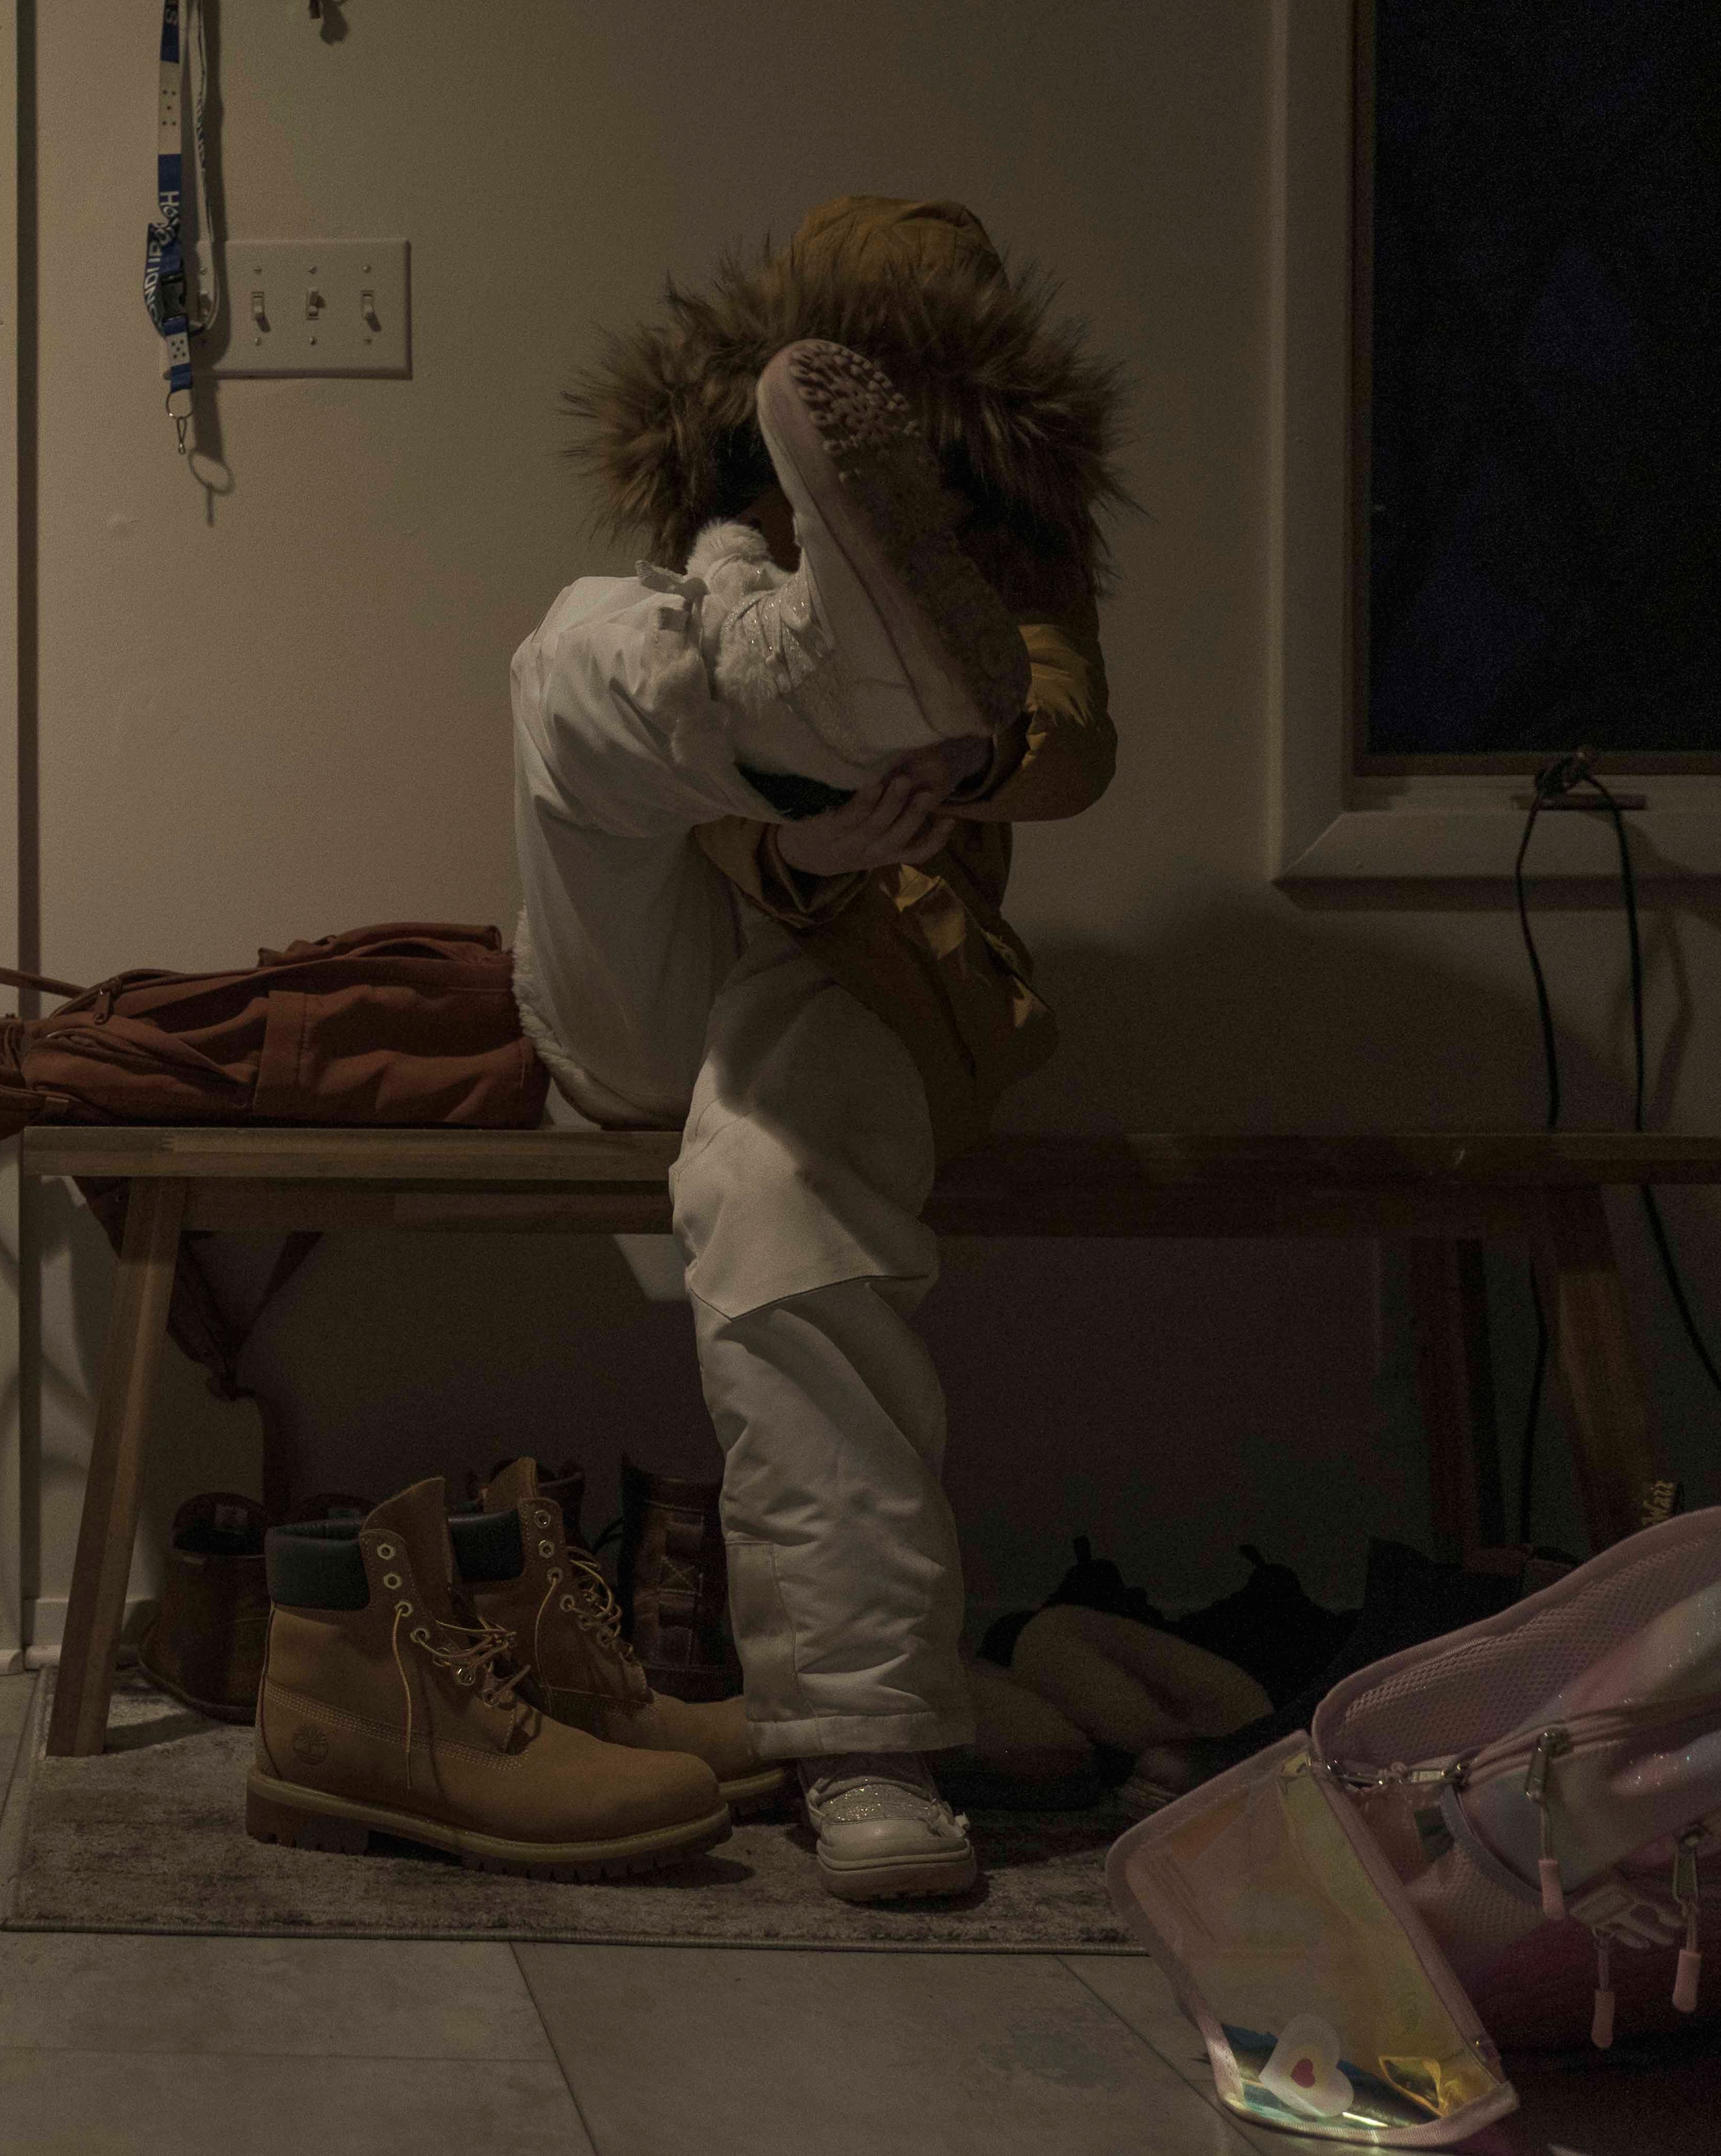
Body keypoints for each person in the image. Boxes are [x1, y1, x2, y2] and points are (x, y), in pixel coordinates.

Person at [511, 197, 1124, 1901]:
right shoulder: (708, 518)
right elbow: (664, 807)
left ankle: (862, 1734)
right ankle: (809, 680)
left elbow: (1070, 744)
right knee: (571, 647)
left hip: (863, 969)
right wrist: (789, 837)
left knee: (775, 1176)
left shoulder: (1006, 555)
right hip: (648, 964)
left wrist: (960, 771)